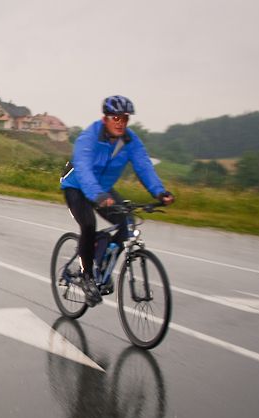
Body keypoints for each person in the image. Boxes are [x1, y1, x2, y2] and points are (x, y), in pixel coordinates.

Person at [59, 95, 174, 306]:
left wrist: (159, 192)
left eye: (124, 118)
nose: (120, 123)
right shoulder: (89, 138)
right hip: (76, 187)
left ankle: (102, 262)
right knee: (88, 225)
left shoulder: (130, 141)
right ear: (105, 119)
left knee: (127, 223)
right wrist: (98, 196)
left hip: (103, 189)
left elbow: (144, 166)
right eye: (115, 118)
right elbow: (83, 169)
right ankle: (87, 276)